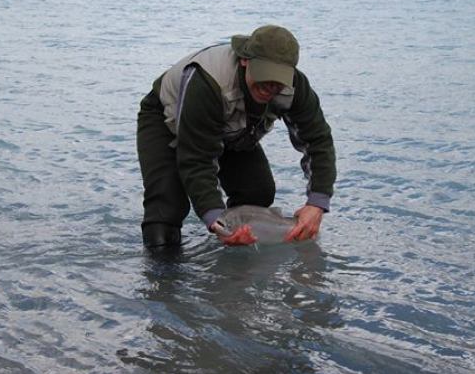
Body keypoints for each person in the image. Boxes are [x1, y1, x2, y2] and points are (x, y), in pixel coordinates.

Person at [137, 25, 336, 249]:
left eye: (278, 79)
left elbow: (317, 141)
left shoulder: (295, 87)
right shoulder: (207, 83)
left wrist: (317, 203)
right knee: (166, 210)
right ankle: (164, 277)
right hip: (165, 120)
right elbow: (197, 160)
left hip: (230, 130)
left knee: (257, 193)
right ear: (244, 60)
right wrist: (215, 220)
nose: (270, 86)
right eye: (264, 75)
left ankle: (235, 269)